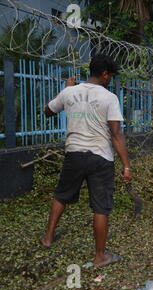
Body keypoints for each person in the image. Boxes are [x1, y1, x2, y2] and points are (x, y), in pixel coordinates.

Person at [42, 54, 132, 267]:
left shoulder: (69, 92)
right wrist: (126, 166)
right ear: (103, 74)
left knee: (61, 195)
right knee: (101, 207)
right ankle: (100, 256)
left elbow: (48, 111)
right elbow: (116, 133)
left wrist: (66, 90)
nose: (109, 79)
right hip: (100, 158)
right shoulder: (109, 98)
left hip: (74, 154)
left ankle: (48, 238)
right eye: (109, 75)